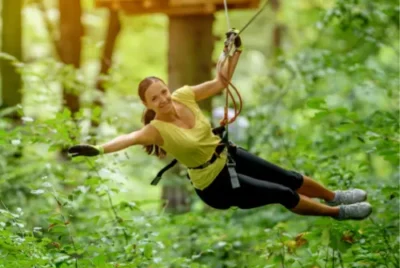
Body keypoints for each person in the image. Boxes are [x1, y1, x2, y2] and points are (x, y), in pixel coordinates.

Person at [68, 29, 372, 221]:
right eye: (154, 98)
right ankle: (338, 213)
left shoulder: (183, 95)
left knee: (289, 177)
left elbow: (221, 81)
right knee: (283, 193)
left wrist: (233, 50)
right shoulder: (155, 130)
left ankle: (334, 195)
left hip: (227, 155)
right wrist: (96, 149)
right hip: (215, 184)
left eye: (163, 92)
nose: (163, 99)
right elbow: (128, 138)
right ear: (147, 105)